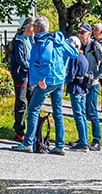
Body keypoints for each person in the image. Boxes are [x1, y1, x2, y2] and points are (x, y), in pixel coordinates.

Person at [12, 16, 76, 154]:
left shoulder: (43, 42)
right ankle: (60, 145)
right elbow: (73, 53)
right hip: (59, 80)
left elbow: (46, 59)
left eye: (34, 26)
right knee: (58, 112)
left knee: (33, 109)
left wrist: (42, 78)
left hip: (46, 81)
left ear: (37, 28)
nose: (32, 29)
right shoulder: (57, 40)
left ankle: (28, 143)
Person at [74, 23, 102, 151]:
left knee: (92, 112)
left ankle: (96, 140)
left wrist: (95, 76)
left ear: (89, 34)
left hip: (92, 84)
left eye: (83, 32)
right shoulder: (80, 45)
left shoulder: (95, 45)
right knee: (81, 112)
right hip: (81, 83)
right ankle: (83, 138)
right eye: (79, 32)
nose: (80, 35)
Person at [8, 18, 36, 141]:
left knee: (33, 101)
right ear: (27, 27)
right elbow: (21, 61)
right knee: (21, 102)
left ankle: (33, 130)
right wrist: (32, 68)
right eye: (33, 26)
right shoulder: (18, 41)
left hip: (30, 75)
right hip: (21, 75)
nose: (34, 29)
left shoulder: (30, 40)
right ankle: (19, 130)